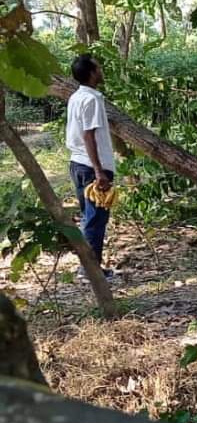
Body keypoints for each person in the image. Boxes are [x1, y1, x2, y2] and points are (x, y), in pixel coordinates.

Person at [66, 54, 117, 281]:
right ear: (91, 72)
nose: (102, 70)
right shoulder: (92, 99)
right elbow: (89, 136)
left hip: (78, 163)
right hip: (91, 167)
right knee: (95, 220)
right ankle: (89, 270)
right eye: (99, 67)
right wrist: (99, 171)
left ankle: (90, 266)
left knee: (89, 218)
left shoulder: (76, 97)